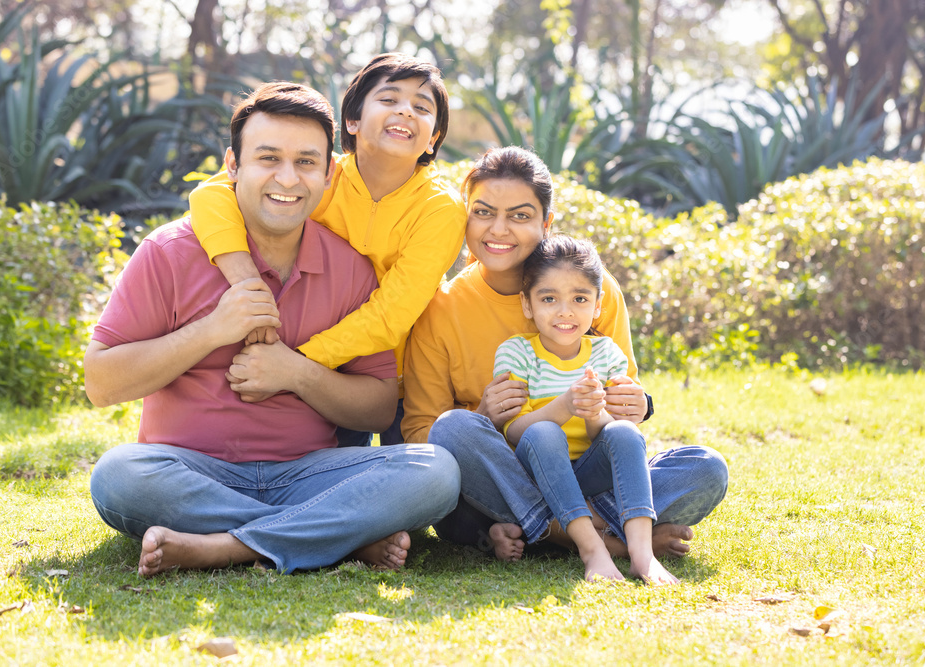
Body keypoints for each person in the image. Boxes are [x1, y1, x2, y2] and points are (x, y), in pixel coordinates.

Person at [85, 81, 459, 577]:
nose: (288, 178)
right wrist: (213, 329)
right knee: (118, 476)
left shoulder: (351, 269)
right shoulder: (169, 252)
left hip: (309, 474)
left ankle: (224, 545)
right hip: (189, 469)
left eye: (306, 162)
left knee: (436, 472)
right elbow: (101, 383)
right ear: (233, 166)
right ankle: (335, 538)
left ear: (329, 172)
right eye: (268, 159)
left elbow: (376, 406)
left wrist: (297, 373)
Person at [403, 146, 728, 577]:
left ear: (546, 223)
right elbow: (426, 438)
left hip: (581, 470)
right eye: (483, 212)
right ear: (466, 218)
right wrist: (484, 415)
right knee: (454, 431)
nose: (498, 229)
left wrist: (636, 404)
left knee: (705, 468)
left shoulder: (593, 289)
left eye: (520, 215)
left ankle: (539, 530)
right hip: (504, 474)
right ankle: (608, 538)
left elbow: (618, 413)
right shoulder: (441, 308)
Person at [187, 53, 466, 446]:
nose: (405, 112)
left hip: (393, 378)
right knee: (304, 469)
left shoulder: (440, 208)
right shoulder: (319, 177)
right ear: (351, 121)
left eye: (422, 108)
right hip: (294, 356)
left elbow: (392, 313)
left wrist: (297, 362)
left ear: (433, 137)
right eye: (389, 99)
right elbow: (210, 194)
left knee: (402, 492)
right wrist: (248, 284)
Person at [493, 234, 677, 584]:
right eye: (549, 298)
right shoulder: (517, 353)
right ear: (527, 304)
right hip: (538, 472)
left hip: (593, 474)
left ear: (597, 305)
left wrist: (594, 413)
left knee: (625, 431)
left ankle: (642, 554)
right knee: (544, 432)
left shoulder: (606, 353)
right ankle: (592, 547)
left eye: (579, 298)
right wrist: (565, 405)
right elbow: (515, 433)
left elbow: (607, 438)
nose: (565, 311)